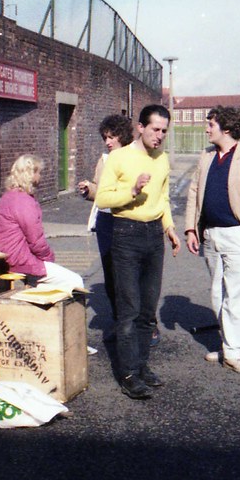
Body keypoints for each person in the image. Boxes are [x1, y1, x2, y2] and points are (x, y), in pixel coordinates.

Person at [94, 104, 181, 399]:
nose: (159, 136)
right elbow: (103, 198)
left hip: (154, 235)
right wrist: (131, 191)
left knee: (147, 309)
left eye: (164, 131)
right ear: (140, 127)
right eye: (155, 129)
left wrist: (169, 229)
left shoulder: (162, 159)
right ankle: (128, 373)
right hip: (126, 235)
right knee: (129, 310)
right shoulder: (118, 157)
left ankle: (142, 366)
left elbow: (164, 198)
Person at [183, 105, 240, 376]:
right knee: (216, 293)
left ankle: (233, 353)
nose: (206, 128)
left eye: (210, 124)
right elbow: (194, 193)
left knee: (233, 295)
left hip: (238, 235)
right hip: (210, 234)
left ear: (227, 128)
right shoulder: (206, 156)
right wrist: (191, 229)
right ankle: (231, 344)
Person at [0, 155, 83, 291]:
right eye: (39, 172)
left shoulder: (8, 196)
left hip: (5, 258)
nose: (40, 176)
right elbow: (36, 241)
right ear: (30, 174)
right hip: (19, 260)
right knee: (76, 282)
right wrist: (48, 258)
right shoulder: (24, 201)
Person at [78, 114, 134, 325]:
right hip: (105, 220)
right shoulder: (104, 160)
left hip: (126, 220)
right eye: (105, 137)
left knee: (129, 276)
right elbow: (98, 189)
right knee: (110, 274)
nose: (108, 142)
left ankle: (145, 323)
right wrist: (88, 189)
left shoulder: (134, 158)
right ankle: (119, 321)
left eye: (112, 137)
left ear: (123, 136)